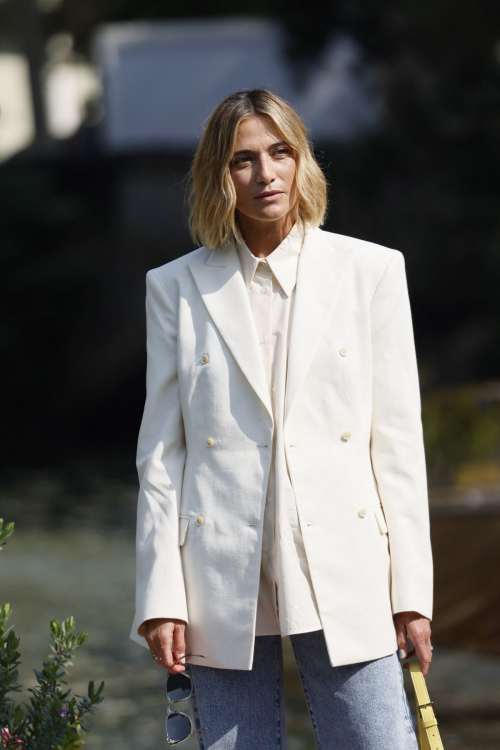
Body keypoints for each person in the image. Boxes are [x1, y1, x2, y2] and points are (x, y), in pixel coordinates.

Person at [130, 88, 433, 749]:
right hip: (217, 576)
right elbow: (161, 458)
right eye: (242, 160)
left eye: (280, 153)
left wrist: (413, 594)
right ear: (219, 174)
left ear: (302, 162)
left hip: (349, 565)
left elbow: (398, 450)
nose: (265, 175)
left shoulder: (372, 272)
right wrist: (160, 599)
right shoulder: (174, 288)